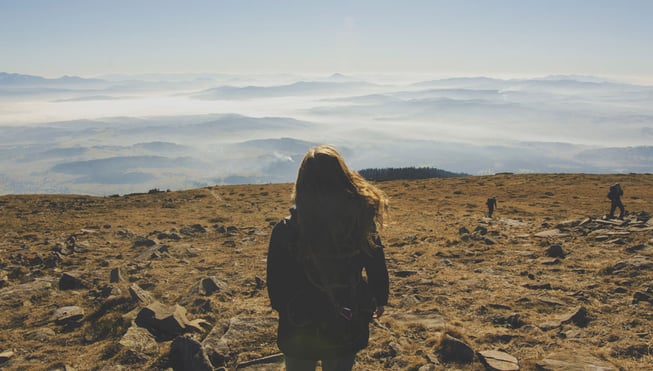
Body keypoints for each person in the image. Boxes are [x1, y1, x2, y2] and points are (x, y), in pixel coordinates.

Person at [266, 145, 389, 371]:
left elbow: (276, 285)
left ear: (302, 183)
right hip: (346, 318)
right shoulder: (359, 223)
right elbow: (376, 263)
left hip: (299, 323)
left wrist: (289, 309)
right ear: (343, 177)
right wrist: (379, 298)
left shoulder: (286, 231)